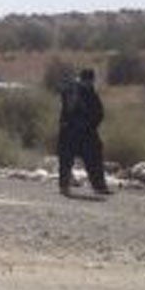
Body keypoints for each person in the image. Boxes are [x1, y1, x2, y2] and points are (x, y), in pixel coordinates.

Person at [56, 67, 109, 196]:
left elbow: (98, 112)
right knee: (68, 159)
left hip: (80, 131)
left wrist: (91, 125)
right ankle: (65, 186)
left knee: (92, 156)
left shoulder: (79, 90)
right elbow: (95, 112)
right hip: (75, 131)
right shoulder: (77, 90)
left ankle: (98, 186)